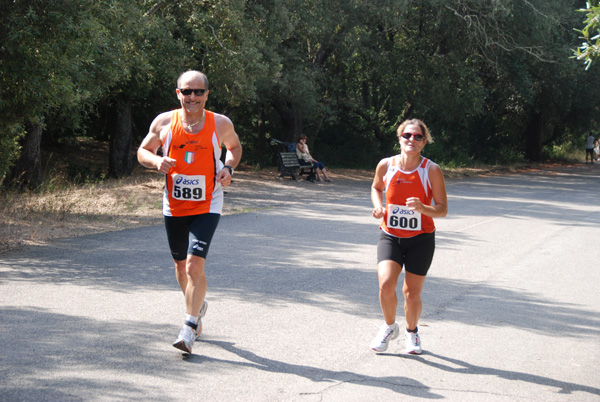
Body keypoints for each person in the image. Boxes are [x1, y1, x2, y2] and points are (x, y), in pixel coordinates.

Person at [137, 70, 242, 353]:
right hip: (174, 204)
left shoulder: (219, 123)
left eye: (198, 92)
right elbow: (143, 151)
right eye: (187, 92)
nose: (192, 97)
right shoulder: (164, 122)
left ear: (207, 94)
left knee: (195, 265)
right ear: (178, 93)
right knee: (180, 267)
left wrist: (228, 169)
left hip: (208, 203)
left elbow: (234, 148)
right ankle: (198, 304)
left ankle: (189, 325)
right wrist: (156, 161)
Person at [369, 118, 447, 355]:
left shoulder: (431, 170)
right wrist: (378, 207)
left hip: (421, 239)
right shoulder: (386, 165)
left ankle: (412, 332)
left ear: (424, 142)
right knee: (385, 284)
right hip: (390, 235)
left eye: (417, 137)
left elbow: (442, 209)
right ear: (400, 137)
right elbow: (376, 187)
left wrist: (424, 208)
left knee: (411, 293)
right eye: (407, 135)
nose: (411, 140)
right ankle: (390, 327)